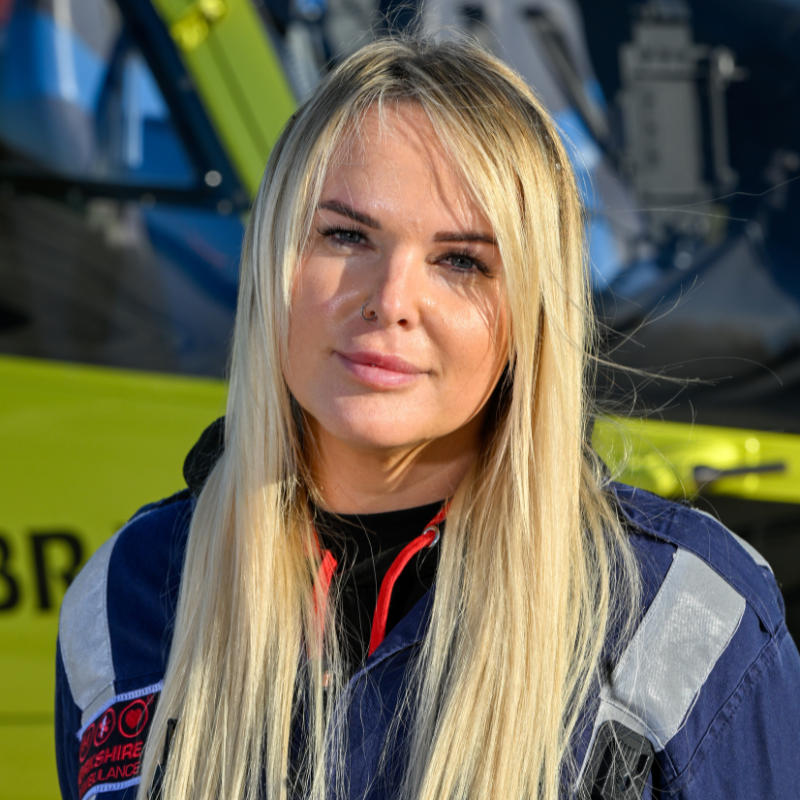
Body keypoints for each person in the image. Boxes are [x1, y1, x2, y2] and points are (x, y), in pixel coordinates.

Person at [55, 37, 800, 800]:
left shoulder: (685, 615)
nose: (391, 299)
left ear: (530, 317)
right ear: (274, 258)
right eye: (346, 235)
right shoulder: (120, 602)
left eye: (462, 262)